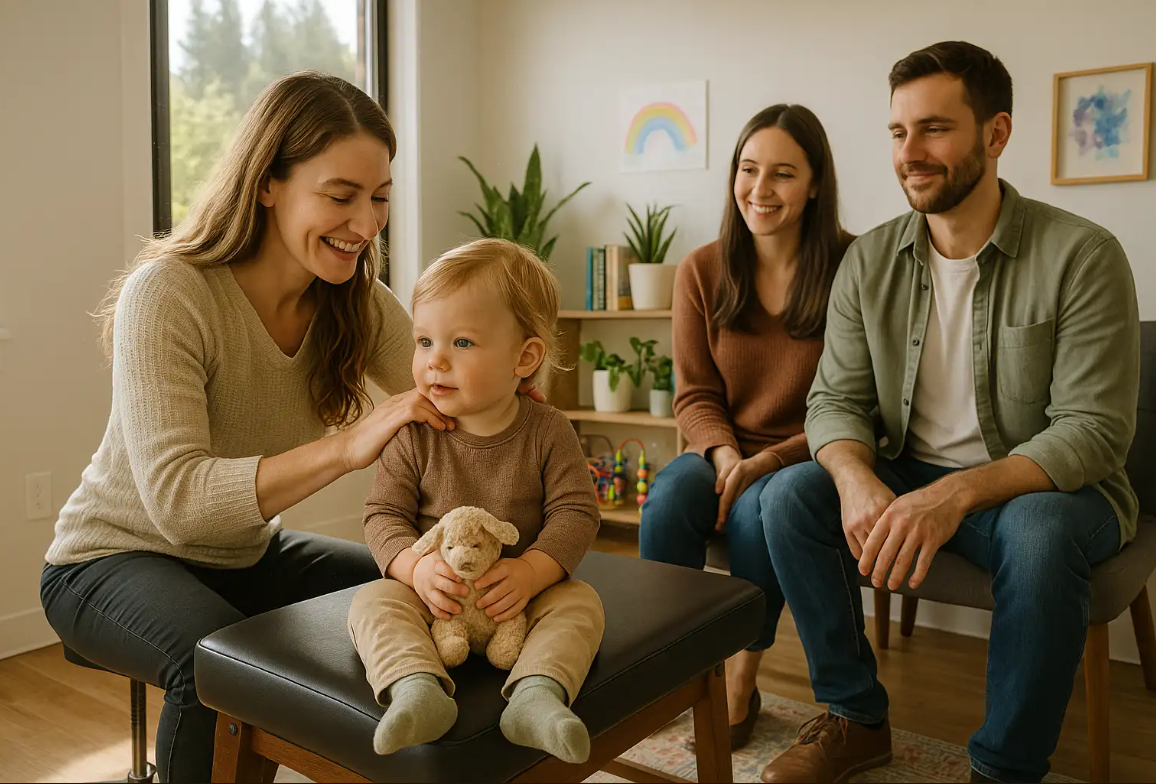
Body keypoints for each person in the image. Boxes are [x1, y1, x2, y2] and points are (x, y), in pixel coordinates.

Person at [38, 72, 536, 783]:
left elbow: (461, 409)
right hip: (109, 559)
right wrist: (346, 447)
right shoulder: (170, 294)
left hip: (242, 554)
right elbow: (179, 505)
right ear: (267, 182)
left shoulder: (358, 303)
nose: (365, 225)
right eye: (340, 197)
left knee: (425, 593)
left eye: (380, 200)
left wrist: (520, 415)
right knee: (211, 660)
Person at [759, 42, 1139, 784]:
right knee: (789, 497)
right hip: (910, 470)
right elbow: (835, 401)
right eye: (899, 133)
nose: (911, 153)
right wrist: (855, 478)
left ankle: (1004, 768)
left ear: (996, 135)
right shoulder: (868, 261)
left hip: (1045, 493)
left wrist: (954, 494)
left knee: (1038, 534)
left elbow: (1093, 431)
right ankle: (855, 717)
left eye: (935, 129)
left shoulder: (1083, 255)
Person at [637, 104, 852, 748]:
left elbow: (856, 403)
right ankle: (663, 665)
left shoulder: (854, 266)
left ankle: (740, 674)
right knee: (667, 500)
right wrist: (726, 455)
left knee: (761, 509)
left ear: (815, 183)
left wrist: (765, 463)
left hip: (813, 453)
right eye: (748, 169)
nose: (760, 190)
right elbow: (695, 394)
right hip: (723, 447)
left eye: (782, 174)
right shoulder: (701, 269)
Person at [348, 238, 604, 764]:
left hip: (520, 601)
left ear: (524, 357)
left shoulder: (548, 430)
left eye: (461, 343)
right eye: (423, 342)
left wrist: (533, 571)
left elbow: (576, 511)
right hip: (434, 601)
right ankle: (416, 687)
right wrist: (414, 569)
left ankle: (536, 695)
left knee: (581, 605)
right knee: (371, 602)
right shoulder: (413, 433)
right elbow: (383, 515)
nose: (434, 361)